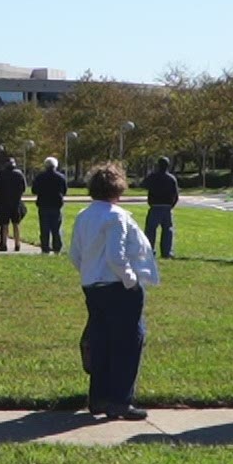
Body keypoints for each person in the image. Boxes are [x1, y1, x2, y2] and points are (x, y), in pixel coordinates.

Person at [68, 163, 159, 420]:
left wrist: (89, 274)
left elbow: (75, 254)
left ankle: (99, 397)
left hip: (92, 286)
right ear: (118, 187)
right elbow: (116, 256)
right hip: (118, 287)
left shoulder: (83, 215)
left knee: (101, 341)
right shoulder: (117, 216)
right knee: (128, 343)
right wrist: (130, 280)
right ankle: (120, 400)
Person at [140, 156, 180, 258]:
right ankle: (166, 252)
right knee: (167, 230)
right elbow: (176, 195)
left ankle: (150, 250)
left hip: (154, 205)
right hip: (167, 207)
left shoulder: (153, 177)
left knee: (150, 230)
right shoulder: (171, 179)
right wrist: (171, 205)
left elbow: (142, 184)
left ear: (158, 165)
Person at [31, 156, 69, 254]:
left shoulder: (40, 177)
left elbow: (34, 190)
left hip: (43, 204)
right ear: (55, 165)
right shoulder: (61, 177)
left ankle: (45, 247)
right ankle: (57, 247)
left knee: (44, 228)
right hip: (56, 205)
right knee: (56, 228)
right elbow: (64, 191)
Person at [0, 156, 28, 252]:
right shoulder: (19, 174)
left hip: (4, 201)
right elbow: (24, 188)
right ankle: (17, 244)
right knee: (16, 224)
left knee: (4, 224)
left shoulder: (2, 174)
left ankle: (4, 244)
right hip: (16, 202)